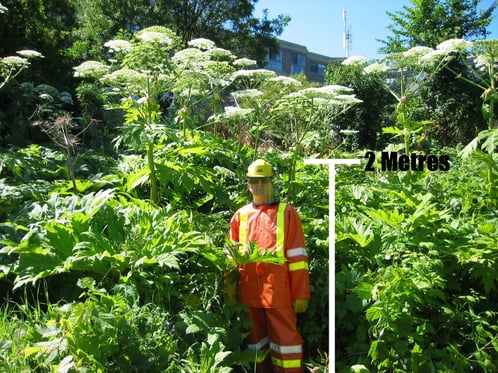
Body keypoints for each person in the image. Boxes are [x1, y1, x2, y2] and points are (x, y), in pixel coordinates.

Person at [229, 159, 310, 373]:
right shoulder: (240, 216)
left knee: (286, 342)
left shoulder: (286, 213)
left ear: (271, 182)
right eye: (254, 180)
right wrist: (230, 290)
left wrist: (301, 293)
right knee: (255, 343)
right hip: (249, 293)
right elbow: (231, 257)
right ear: (248, 184)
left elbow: (298, 256)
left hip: (278, 292)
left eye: (263, 180)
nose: (259, 185)